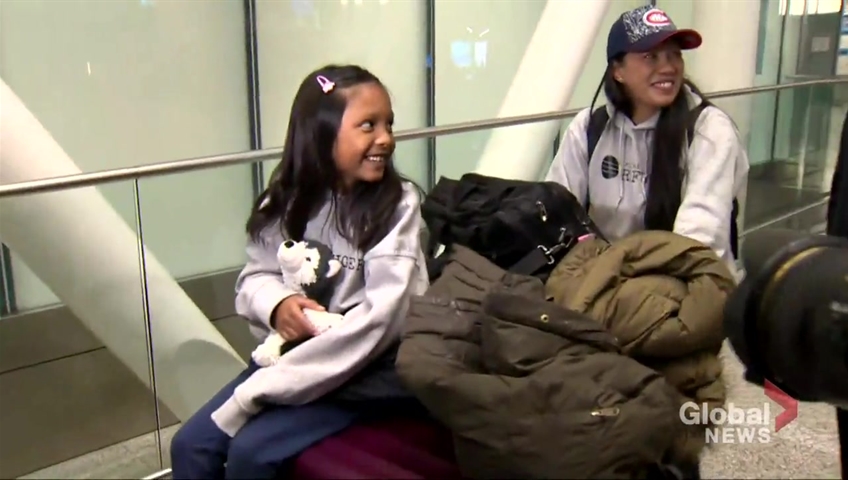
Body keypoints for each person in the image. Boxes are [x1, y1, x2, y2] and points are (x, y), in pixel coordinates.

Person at [169, 64, 429, 480]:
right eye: (368, 125)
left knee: (252, 455)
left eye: (388, 124)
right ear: (321, 133)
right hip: (295, 357)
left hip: (360, 369)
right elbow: (255, 277)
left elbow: (383, 320)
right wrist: (279, 305)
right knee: (190, 447)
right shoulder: (285, 200)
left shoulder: (399, 206)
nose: (386, 138)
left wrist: (264, 388)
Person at [545, 5, 749, 277]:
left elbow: (698, 241)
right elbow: (557, 212)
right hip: (605, 280)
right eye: (651, 56)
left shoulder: (709, 130)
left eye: (674, 55)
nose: (668, 67)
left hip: (686, 283)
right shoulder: (588, 127)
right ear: (618, 71)